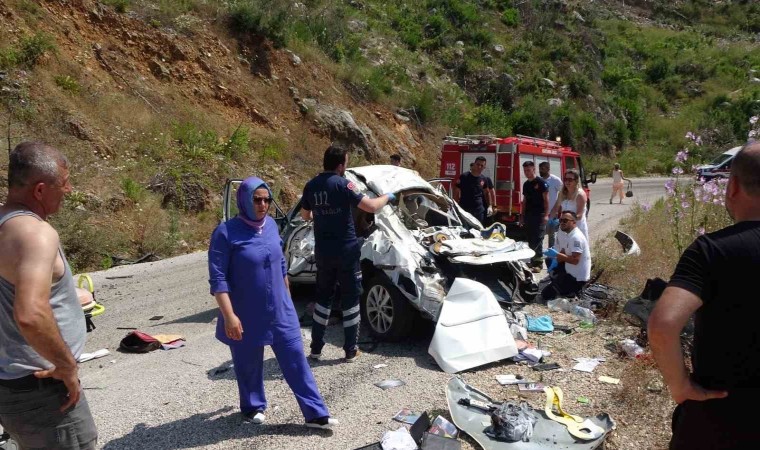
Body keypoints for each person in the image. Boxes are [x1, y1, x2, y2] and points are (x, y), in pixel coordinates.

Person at [648, 142, 760, 449]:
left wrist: (680, 385)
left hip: (719, 419)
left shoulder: (711, 250)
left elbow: (662, 325)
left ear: (733, 187)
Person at [208, 177, 338, 429]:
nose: (263, 205)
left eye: (267, 199)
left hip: (280, 310)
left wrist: (288, 300)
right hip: (244, 312)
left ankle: (315, 413)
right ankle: (252, 406)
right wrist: (229, 316)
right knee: (248, 364)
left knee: (296, 360)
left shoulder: (269, 226)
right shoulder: (225, 233)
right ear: (244, 200)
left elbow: (280, 265)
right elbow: (218, 279)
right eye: (257, 199)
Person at [0, 142, 97, 449]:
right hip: (43, 387)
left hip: (11, 384)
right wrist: (66, 365)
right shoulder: (36, 234)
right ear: (40, 190)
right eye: (64, 184)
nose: (68, 191)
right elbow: (30, 314)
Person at [301, 145, 395, 362]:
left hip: (323, 252)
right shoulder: (344, 184)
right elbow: (370, 207)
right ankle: (350, 350)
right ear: (341, 165)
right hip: (346, 251)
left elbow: (305, 216)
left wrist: (322, 215)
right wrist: (388, 197)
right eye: (346, 162)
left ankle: (316, 349)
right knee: (350, 300)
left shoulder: (311, 186)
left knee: (323, 299)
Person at [541, 211, 591, 300]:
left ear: (574, 222)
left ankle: (570, 292)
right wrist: (554, 257)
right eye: (561, 220)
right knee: (549, 260)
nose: (562, 223)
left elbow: (575, 260)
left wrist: (556, 255)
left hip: (577, 279)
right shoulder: (569, 235)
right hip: (570, 271)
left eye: (565, 220)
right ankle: (558, 283)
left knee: (545, 295)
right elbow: (563, 252)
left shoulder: (576, 237)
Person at [519, 161, 549, 272]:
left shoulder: (541, 183)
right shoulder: (526, 184)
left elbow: (546, 200)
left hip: (539, 215)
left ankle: (539, 263)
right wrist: (522, 216)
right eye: (525, 170)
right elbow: (525, 201)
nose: (526, 172)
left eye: (528, 170)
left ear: (533, 169)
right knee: (530, 239)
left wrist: (546, 215)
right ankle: (532, 261)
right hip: (528, 215)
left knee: (538, 239)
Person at [550, 168, 589, 244]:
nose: (567, 181)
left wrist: (563, 220)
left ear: (576, 181)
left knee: (576, 252)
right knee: (562, 251)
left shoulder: (580, 194)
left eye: (570, 179)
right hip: (564, 227)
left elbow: (579, 215)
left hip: (577, 228)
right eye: (565, 179)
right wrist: (549, 220)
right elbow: (555, 208)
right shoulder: (562, 193)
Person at [453, 156, 494, 225]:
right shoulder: (464, 177)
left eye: (482, 165)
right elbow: (456, 191)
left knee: (478, 230)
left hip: (479, 210)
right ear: (474, 164)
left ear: (484, 167)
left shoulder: (483, 179)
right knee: (464, 230)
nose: (479, 167)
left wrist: (490, 206)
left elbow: (487, 192)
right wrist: (455, 205)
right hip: (465, 209)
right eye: (478, 164)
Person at [539, 161, 563, 263]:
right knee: (540, 235)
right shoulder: (538, 180)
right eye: (540, 169)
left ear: (548, 169)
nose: (540, 171)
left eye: (543, 169)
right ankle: (538, 256)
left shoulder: (555, 180)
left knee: (551, 235)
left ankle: (551, 256)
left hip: (552, 213)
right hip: (541, 213)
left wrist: (560, 209)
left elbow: (563, 194)